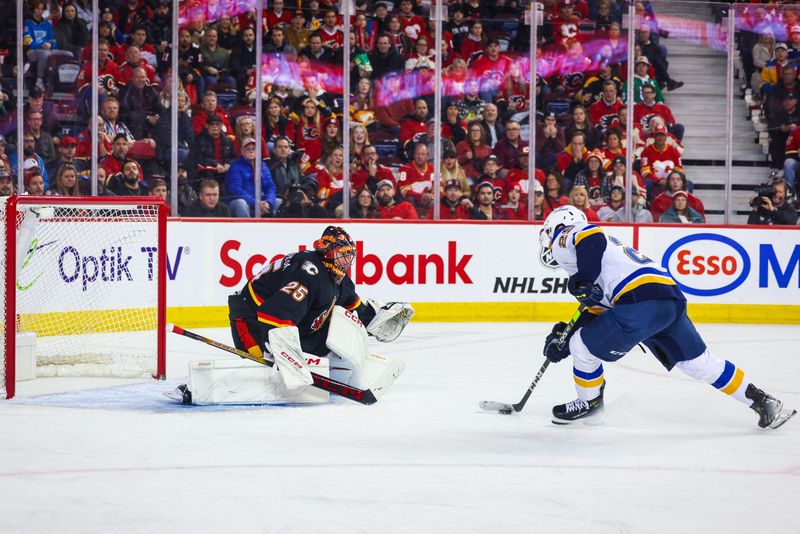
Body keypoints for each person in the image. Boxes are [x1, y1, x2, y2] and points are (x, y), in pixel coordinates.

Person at [538, 205, 796, 429]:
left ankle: (589, 403)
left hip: (638, 302)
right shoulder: (602, 263)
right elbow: (598, 313)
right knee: (698, 363)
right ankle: (762, 401)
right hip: (667, 299)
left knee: (582, 347)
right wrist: (565, 335)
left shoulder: (570, 233)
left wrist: (581, 284)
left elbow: (591, 236)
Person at [207, 226, 413, 403]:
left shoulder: (338, 280)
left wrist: (375, 319)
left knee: (340, 320)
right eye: (343, 254)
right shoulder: (308, 272)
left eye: (350, 255)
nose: (347, 261)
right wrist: (287, 357)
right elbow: (276, 315)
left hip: (291, 323)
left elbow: (355, 311)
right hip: (251, 320)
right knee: (259, 367)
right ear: (327, 251)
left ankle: (343, 369)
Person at [225, 137, 276, 218]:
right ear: (241, 151)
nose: (251, 150)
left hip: (261, 202)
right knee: (241, 203)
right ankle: (247, 230)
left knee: (278, 202)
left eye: (253, 148)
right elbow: (235, 190)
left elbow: (270, 186)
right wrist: (256, 203)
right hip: (243, 202)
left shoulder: (263, 166)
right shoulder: (235, 166)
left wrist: (268, 202)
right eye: (247, 149)